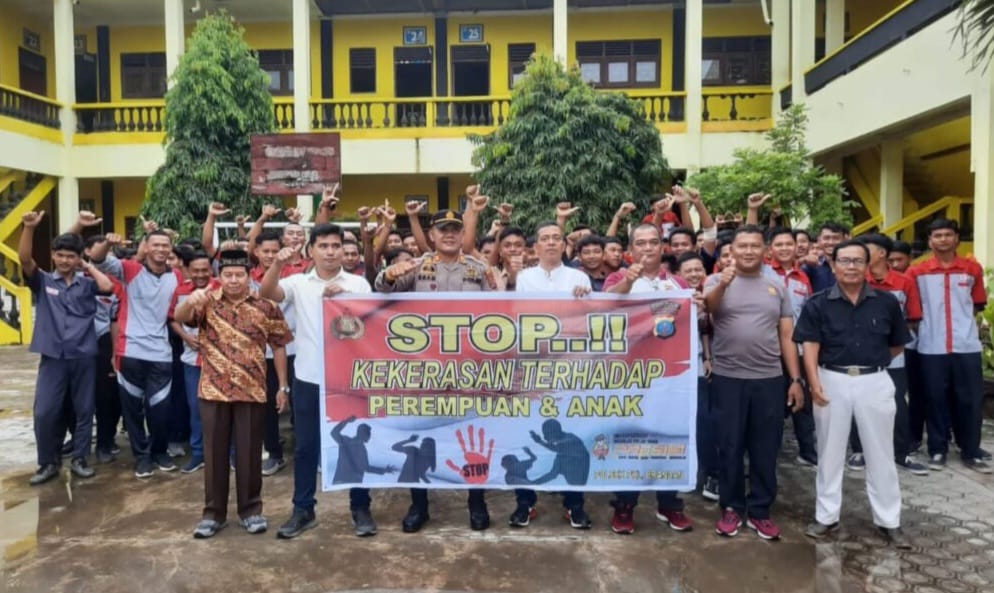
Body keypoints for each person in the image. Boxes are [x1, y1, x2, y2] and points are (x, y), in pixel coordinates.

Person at [376, 210, 494, 532]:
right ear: (432, 235)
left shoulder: (480, 269)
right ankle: (419, 504)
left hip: (470, 370)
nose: (450, 235)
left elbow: (499, 311)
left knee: (471, 434)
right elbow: (381, 291)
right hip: (424, 371)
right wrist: (389, 276)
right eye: (443, 230)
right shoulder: (416, 266)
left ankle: (477, 502)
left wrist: (501, 287)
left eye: (455, 229)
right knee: (420, 436)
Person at [794, 239, 912, 549]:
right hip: (832, 379)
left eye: (858, 261)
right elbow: (810, 345)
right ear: (832, 266)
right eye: (844, 261)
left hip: (874, 380)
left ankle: (890, 521)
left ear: (868, 264)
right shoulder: (818, 303)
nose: (851, 266)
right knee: (830, 453)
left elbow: (897, 343)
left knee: (881, 454)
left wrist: (872, 361)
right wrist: (814, 381)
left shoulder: (886, 302)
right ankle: (826, 517)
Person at [261, 223, 376, 538]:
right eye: (323, 246)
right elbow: (266, 293)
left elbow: (367, 332)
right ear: (310, 250)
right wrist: (278, 263)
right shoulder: (298, 282)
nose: (330, 251)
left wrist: (344, 303)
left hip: (349, 379)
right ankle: (303, 509)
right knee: (306, 448)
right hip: (309, 377)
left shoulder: (358, 284)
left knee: (354, 446)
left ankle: (360, 507)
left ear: (343, 249)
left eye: (335, 246)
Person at [175, 249, 292, 539]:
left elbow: (279, 346)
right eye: (228, 275)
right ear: (220, 276)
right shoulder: (206, 302)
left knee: (250, 452)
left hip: (252, 390)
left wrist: (283, 386)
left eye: (239, 274)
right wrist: (189, 301)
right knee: (214, 455)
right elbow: (179, 317)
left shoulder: (266, 307)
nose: (234, 280)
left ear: (249, 275)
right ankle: (213, 515)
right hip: (213, 390)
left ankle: (251, 511)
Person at [704, 224, 804, 540]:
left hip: (769, 379)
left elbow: (787, 335)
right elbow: (711, 310)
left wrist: (796, 379)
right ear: (731, 250)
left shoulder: (777, 288)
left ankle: (760, 510)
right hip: (727, 379)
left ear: (766, 251)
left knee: (765, 447)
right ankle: (731, 508)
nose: (748, 251)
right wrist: (723, 283)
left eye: (755, 246)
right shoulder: (715, 281)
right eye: (742, 246)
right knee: (730, 446)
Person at [604, 224, 694, 535]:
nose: (647, 248)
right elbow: (605, 304)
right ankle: (626, 505)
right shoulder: (618, 278)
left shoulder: (678, 284)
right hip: (631, 375)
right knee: (630, 440)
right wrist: (628, 284)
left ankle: (669, 503)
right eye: (640, 243)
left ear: (662, 247)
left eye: (653, 242)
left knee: (669, 437)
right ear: (630, 250)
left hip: (670, 377)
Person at [19, 212, 113, 485]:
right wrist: (28, 228)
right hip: (53, 358)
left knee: (84, 410)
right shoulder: (44, 282)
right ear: (53, 256)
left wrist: (88, 266)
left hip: (84, 356)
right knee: (45, 412)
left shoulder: (87, 283)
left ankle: (80, 459)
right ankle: (48, 462)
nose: (64, 260)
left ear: (78, 258)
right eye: (59, 255)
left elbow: (107, 286)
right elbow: (25, 259)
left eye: (70, 256)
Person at [510, 221, 593, 529]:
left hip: (569, 369)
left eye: (556, 238)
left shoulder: (579, 277)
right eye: (544, 238)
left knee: (572, 433)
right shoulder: (524, 278)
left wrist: (587, 298)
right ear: (535, 247)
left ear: (564, 245)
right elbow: (518, 318)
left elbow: (589, 318)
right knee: (525, 434)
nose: (550, 243)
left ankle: (574, 505)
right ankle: (525, 502)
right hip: (531, 368)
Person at [91, 228, 185, 479]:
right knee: (133, 409)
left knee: (161, 408)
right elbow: (98, 259)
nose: (161, 250)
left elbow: (178, 311)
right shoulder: (130, 270)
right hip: (130, 350)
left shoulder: (176, 275)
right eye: (156, 245)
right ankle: (141, 457)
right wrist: (106, 243)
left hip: (161, 353)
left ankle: (159, 452)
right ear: (146, 246)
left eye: (166, 245)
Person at [907, 219, 991, 473]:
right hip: (932, 346)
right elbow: (914, 310)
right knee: (935, 399)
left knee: (970, 399)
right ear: (930, 240)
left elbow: (976, 304)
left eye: (948, 235)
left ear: (956, 238)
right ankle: (937, 449)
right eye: (937, 235)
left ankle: (971, 450)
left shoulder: (971, 269)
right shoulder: (917, 272)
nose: (943, 239)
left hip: (966, 345)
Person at [846, 234, 928, 476]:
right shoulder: (856, 281)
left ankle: (901, 452)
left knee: (896, 404)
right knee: (858, 401)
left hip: (894, 355)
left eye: (865, 249)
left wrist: (890, 343)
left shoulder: (904, 282)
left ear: (881, 253)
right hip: (859, 354)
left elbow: (912, 319)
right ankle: (859, 450)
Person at [761, 227, 817, 468]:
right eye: (779, 244)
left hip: (799, 347)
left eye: (789, 244)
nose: (784, 248)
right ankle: (769, 452)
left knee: (802, 401)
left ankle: (807, 452)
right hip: (769, 349)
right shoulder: (762, 272)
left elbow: (809, 311)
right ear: (770, 249)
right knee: (773, 405)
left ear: (797, 247)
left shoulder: (803, 277)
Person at [168, 251, 218, 474]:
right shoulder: (180, 291)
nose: (200, 275)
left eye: (204, 270)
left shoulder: (223, 286)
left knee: (226, 408)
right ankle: (199, 454)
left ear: (211, 269)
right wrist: (186, 337)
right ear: (187, 270)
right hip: (191, 360)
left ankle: (231, 454)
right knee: (196, 408)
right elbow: (172, 319)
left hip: (221, 361)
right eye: (195, 270)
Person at [675, 252, 717, 501]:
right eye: (688, 270)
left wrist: (707, 358)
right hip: (676, 370)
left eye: (698, 269)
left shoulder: (711, 296)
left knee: (705, 423)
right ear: (678, 274)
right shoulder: (671, 295)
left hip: (700, 367)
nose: (693, 274)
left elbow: (706, 331)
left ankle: (712, 474)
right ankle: (681, 472)